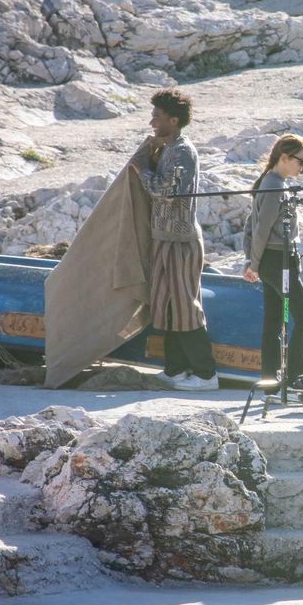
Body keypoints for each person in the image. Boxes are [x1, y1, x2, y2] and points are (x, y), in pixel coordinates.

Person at [130, 88, 218, 391]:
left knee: (185, 307)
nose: (152, 121)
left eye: (157, 116)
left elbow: (166, 191)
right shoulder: (169, 148)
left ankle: (206, 375)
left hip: (180, 242)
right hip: (164, 239)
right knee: (168, 307)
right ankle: (175, 370)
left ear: (174, 119)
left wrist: (142, 169)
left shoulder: (182, 151)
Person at [242, 134, 303, 388]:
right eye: (300, 161)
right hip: (276, 260)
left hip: (275, 259)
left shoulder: (272, 182)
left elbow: (252, 225)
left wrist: (252, 260)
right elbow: (260, 229)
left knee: (274, 322)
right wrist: (253, 264)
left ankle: (270, 381)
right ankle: (294, 379)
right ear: (284, 157)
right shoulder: (274, 185)